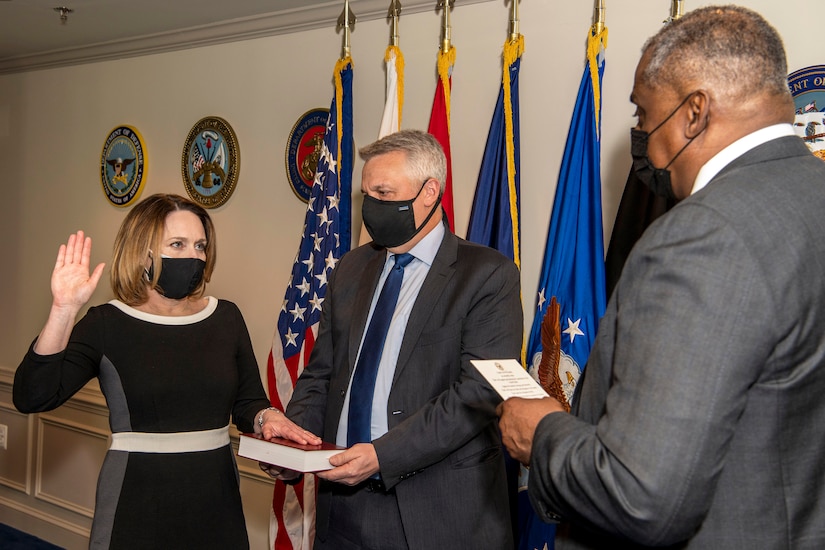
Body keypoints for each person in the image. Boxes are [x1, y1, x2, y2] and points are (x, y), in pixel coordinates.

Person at [498, 6, 825, 549]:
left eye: (645, 117)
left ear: (694, 113)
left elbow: (641, 494)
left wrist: (543, 436)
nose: (644, 143)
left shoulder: (699, 236)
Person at [13, 193, 318, 549]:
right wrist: (64, 309)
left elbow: (248, 401)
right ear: (143, 253)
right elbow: (33, 395)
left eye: (200, 245)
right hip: (136, 498)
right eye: (178, 244)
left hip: (215, 497)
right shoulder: (106, 324)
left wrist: (268, 418)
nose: (194, 256)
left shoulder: (226, 318)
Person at [267, 129, 523, 549]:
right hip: (341, 504)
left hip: (435, 509)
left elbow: (478, 394)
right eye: (367, 194)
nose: (371, 208)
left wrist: (383, 457)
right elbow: (321, 373)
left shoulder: (487, 276)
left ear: (429, 192)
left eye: (384, 193)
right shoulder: (351, 268)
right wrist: (293, 444)